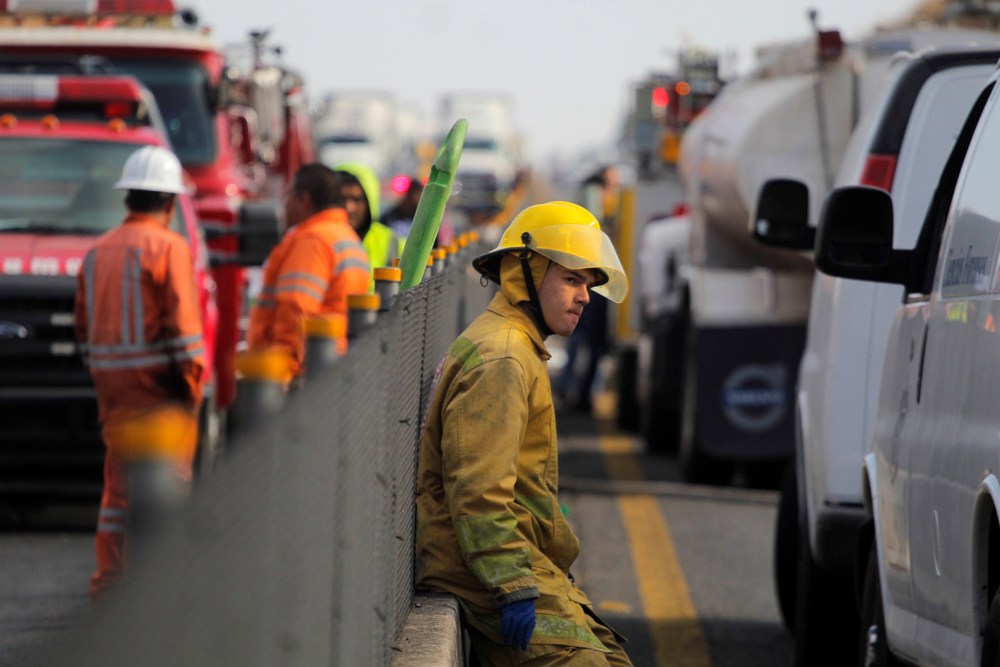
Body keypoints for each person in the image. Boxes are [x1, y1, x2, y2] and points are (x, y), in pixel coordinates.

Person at [415, 201, 633, 666]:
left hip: (517, 562)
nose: (585, 297)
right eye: (571, 279)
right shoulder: (505, 359)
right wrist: (512, 585)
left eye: (589, 284)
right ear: (524, 272)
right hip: (485, 574)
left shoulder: (515, 346)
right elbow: (479, 493)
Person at [74, 145, 206, 601]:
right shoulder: (170, 247)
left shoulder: (97, 252)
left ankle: (110, 585)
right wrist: (191, 390)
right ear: (170, 202)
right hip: (160, 393)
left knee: (117, 494)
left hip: (113, 392)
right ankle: (160, 591)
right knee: (166, 488)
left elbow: (82, 327)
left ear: (128, 197)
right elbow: (185, 334)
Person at [247, 163, 370, 378]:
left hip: (302, 373)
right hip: (332, 365)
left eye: (288, 196)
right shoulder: (347, 237)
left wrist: (284, 374)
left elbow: (295, 309)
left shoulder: (313, 241)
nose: (284, 204)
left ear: (304, 200)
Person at [557, 165, 620, 414]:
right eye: (613, 177)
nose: (616, 182)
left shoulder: (590, 192)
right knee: (588, 337)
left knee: (581, 338)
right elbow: (595, 229)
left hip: (589, 271)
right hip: (593, 273)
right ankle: (578, 391)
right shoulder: (594, 192)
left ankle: (572, 388)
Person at [334, 162, 405, 275]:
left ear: (370, 202)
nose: (349, 208)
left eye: (357, 199)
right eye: (341, 199)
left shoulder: (391, 243)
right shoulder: (317, 239)